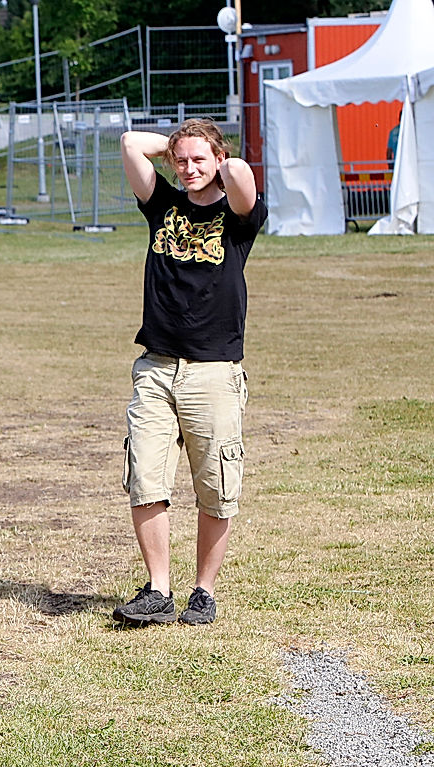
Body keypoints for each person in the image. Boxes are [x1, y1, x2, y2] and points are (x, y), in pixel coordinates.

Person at [113, 119, 268, 627]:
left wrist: (211, 159)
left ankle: (203, 591)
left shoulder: (237, 217)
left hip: (214, 370)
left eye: (200, 159)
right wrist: (177, 146)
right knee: (145, 478)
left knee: (216, 486)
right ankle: (158, 590)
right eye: (181, 162)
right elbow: (131, 144)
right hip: (156, 367)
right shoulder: (163, 206)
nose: (188, 169)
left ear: (218, 158)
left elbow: (244, 176)